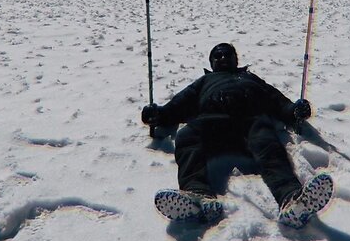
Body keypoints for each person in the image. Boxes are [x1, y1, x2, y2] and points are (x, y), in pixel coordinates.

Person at [142, 43, 333, 227]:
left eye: (227, 54)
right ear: (211, 63)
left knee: (269, 144)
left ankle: (292, 199)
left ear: (236, 59)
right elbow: (176, 107)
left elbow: (278, 102)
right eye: (218, 56)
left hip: (251, 122)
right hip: (213, 122)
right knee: (187, 136)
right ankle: (197, 196)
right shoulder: (204, 81)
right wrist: (157, 115)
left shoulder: (251, 78)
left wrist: (295, 111)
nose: (223, 58)